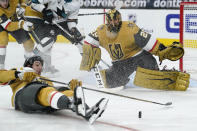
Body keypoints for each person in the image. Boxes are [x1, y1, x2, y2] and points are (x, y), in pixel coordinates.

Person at [79, 9, 190, 91]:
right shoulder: (100, 30)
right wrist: (89, 51)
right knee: (109, 82)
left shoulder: (129, 28)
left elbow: (147, 41)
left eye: (116, 20)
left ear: (120, 19)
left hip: (140, 58)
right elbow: (88, 42)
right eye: (111, 21)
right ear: (106, 21)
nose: (113, 23)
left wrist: (162, 49)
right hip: (120, 64)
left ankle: (168, 76)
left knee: (153, 79)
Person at [0, 55, 108, 124]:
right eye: (37, 64)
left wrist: (71, 88)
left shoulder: (45, 79)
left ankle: (85, 111)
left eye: (41, 65)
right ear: (29, 65)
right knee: (45, 91)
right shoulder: (21, 70)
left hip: (45, 103)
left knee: (62, 90)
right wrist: (18, 74)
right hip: (24, 96)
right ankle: (72, 104)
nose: (40, 68)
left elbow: (54, 91)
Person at [18, 0, 84, 74]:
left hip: (65, 23)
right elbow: (33, 3)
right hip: (50, 23)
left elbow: (72, 19)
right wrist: (44, 10)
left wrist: (73, 28)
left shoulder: (76, 3)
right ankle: (30, 61)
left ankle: (88, 65)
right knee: (48, 42)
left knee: (80, 41)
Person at [0, 0, 35, 69]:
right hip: (3, 25)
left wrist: (23, 6)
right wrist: (21, 24)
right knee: (3, 39)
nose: (5, 3)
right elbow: (8, 26)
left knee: (29, 43)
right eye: (2, 1)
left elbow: (24, 0)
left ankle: (28, 62)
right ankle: (0, 65)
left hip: (13, 21)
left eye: (7, 0)